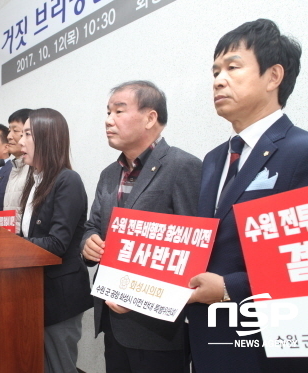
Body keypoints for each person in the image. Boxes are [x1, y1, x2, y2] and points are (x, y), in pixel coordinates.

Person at [186, 19, 308, 373]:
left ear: (273, 77)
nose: (218, 80)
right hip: (209, 339)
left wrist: (230, 287)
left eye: (232, 67)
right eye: (215, 71)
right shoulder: (213, 159)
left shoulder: (300, 152)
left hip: (265, 346)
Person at [82, 81, 202, 373]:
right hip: (111, 318)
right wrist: (89, 243)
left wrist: (140, 297)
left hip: (158, 329)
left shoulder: (182, 166)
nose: (108, 120)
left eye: (119, 111)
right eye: (108, 112)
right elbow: (92, 225)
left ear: (151, 118)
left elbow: (194, 250)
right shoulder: (109, 174)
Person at [18, 108, 93, 373]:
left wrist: (10, 247)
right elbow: (30, 236)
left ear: (47, 138)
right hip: (35, 289)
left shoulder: (67, 181)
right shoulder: (35, 180)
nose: (20, 141)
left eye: (28, 134)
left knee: (59, 366)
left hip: (60, 295)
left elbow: (57, 244)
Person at [3, 109, 32, 233]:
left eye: (15, 130)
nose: (9, 136)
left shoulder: (34, 169)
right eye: (9, 130)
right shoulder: (14, 167)